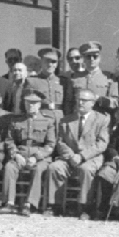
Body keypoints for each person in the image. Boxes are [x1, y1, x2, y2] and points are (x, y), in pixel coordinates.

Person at [46, 89, 110, 220]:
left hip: (91, 157)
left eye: (85, 100)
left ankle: (85, 208)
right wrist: (71, 156)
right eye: (79, 100)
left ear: (92, 103)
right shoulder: (66, 120)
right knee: (54, 167)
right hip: (69, 157)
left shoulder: (102, 120)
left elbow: (102, 144)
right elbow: (61, 142)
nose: (80, 102)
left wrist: (82, 156)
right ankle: (55, 206)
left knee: (86, 170)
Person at [0, 91, 56, 217]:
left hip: (40, 157)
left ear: (40, 105)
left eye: (34, 103)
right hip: (21, 154)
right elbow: (9, 140)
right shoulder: (16, 120)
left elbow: (50, 145)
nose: (31, 106)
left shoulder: (47, 121)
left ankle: (29, 204)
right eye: (28, 103)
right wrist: (16, 154)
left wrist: (36, 157)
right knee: (9, 167)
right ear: (24, 103)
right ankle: (9, 203)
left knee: (38, 169)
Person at [63, 42, 115, 116]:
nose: (92, 59)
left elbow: (115, 102)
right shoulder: (75, 78)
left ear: (100, 58)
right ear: (83, 59)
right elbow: (68, 103)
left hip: (101, 120)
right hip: (78, 121)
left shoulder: (109, 77)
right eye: (88, 57)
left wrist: (100, 99)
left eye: (95, 56)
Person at [25, 47, 65, 121]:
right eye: (47, 61)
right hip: (41, 121)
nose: (50, 64)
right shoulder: (32, 81)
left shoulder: (62, 81)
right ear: (41, 62)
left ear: (57, 64)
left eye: (53, 62)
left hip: (59, 119)